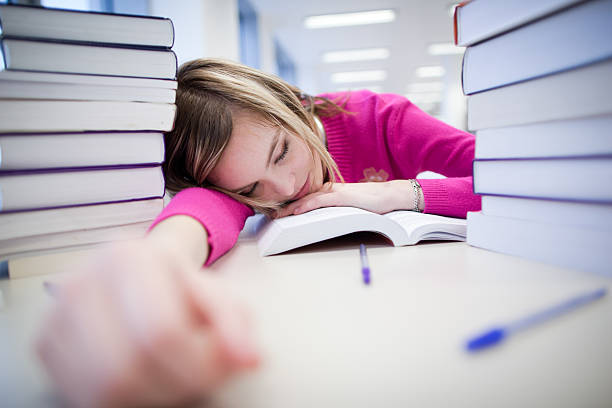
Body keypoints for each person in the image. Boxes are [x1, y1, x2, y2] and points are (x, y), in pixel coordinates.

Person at [36, 58, 481, 407]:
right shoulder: (234, 182)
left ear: (288, 103)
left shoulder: (382, 117)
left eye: (283, 150)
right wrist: (161, 262)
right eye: (251, 189)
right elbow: (205, 209)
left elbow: (514, 177)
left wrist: (396, 194)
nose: (287, 188)